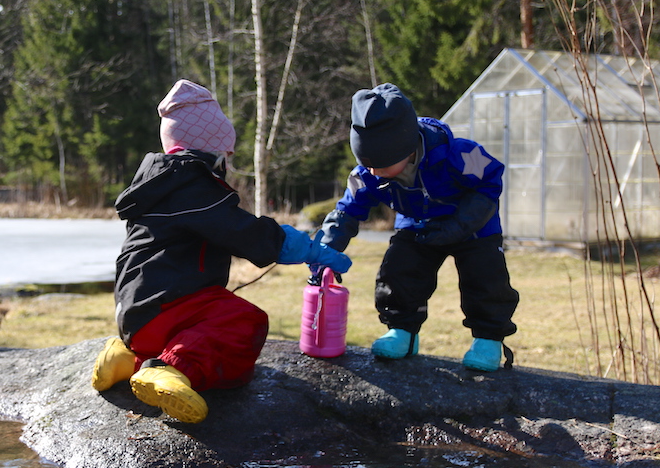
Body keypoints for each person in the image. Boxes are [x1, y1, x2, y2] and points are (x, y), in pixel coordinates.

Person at [91, 79, 351, 423]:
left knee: (206, 317)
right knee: (244, 321)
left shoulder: (158, 187)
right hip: (167, 308)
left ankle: (128, 360)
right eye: (226, 154)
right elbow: (243, 232)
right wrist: (303, 247)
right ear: (212, 154)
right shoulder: (193, 188)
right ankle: (169, 369)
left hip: (137, 315)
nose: (228, 163)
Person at [320, 82, 518, 372]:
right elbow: (347, 211)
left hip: (474, 226)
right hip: (417, 224)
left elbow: (491, 180)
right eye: (367, 164)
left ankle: (488, 338)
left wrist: (457, 226)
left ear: (408, 146)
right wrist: (325, 250)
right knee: (399, 269)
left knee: (485, 277)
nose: (374, 173)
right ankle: (403, 331)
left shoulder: (459, 155)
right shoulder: (368, 175)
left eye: (383, 165)